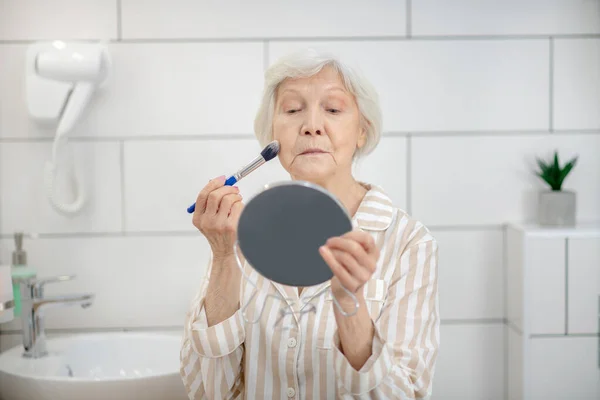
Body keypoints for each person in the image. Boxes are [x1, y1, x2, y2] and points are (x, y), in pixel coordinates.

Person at [180, 48, 440, 399]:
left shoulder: (409, 243)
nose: (312, 125)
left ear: (362, 131)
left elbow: (406, 394)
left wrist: (352, 310)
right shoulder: (238, 235)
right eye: (292, 110)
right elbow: (207, 391)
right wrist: (225, 257)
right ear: (272, 134)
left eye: (333, 109)